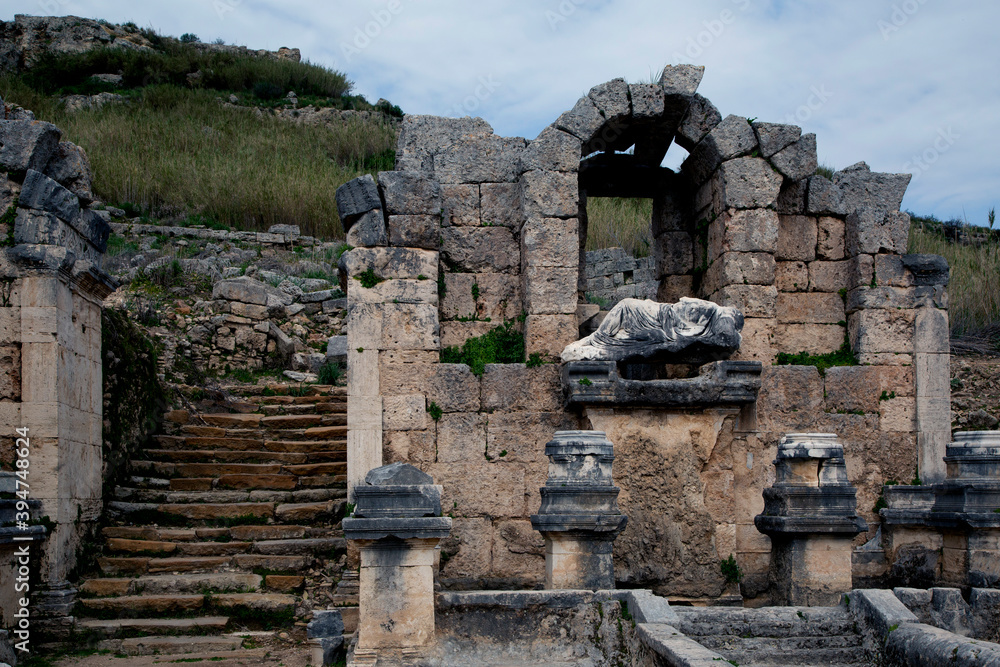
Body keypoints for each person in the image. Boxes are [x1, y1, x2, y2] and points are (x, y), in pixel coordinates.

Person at [561, 297, 743, 362]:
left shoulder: (723, 319)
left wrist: (685, 339)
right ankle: (594, 341)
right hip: (662, 313)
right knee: (626, 306)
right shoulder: (713, 310)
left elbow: (727, 339)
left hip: (663, 322)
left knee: (626, 305)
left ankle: (595, 344)